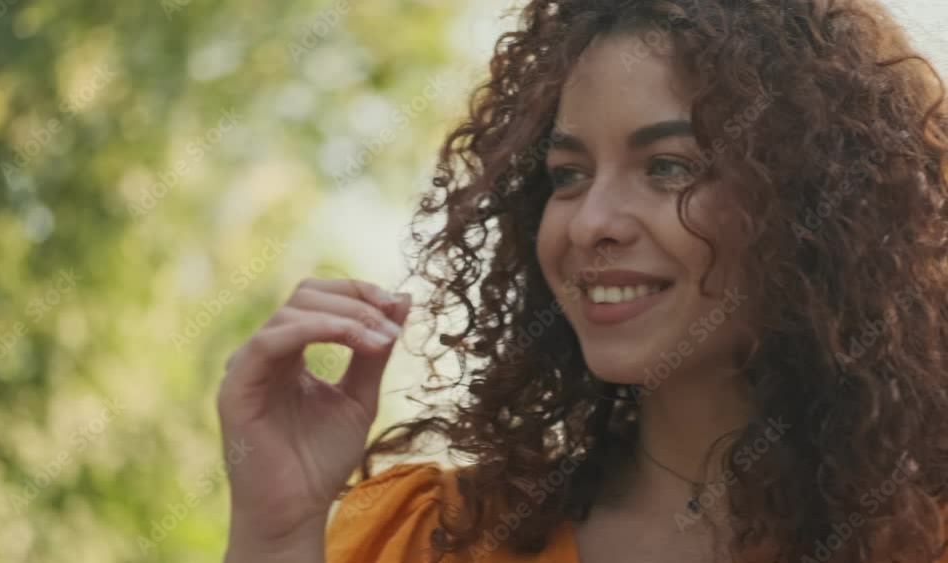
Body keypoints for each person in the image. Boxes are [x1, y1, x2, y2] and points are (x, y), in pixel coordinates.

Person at [217, 0, 948, 561]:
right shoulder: (430, 540)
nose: (591, 220)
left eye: (669, 167)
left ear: (813, 205)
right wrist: (275, 532)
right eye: (568, 175)